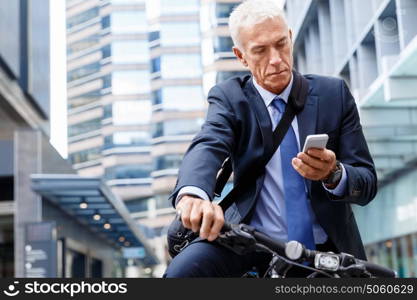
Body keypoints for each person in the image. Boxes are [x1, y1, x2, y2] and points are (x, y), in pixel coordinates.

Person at [163, 0, 377, 278]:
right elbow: (208, 143)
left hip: (326, 251)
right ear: (241, 56)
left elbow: (367, 182)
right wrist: (192, 195)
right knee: (183, 271)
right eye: (260, 51)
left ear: (290, 37)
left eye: (280, 44)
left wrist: (333, 174)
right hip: (252, 243)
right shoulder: (230, 98)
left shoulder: (333, 94)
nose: (275, 59)